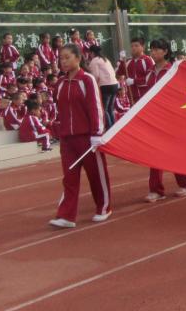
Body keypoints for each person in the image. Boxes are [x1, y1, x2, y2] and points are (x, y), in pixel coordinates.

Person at [49, 43, 111, 229]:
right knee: (69, 178)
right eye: (61, 58)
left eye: (67, 57)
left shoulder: (87, 80)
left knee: (96, 175)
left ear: (78, 58)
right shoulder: (60, 83)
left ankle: (104, 207)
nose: (64, 61)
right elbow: (59, 109)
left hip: (87, 137)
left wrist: (97, 133)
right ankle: (66, 215)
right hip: (67, 139)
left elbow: (95, 107)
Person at [146, 38, 186, 201]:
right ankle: (156, 190)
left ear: (165, 51)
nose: (153, 53)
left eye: (156, 49)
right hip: (155, 118)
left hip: (171, 118)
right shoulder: (150, 73)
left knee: (174, 151)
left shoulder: (172, 70)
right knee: (153, 153)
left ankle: (185, 183)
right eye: (151, 49)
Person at [86, 45, 119, 128]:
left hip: (105, 86)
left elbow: (95, 76)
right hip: (115, 84)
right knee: (110, 108)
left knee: (104, 109)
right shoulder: (105, 59)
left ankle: (110, 129)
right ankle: (114, 127)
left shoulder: (94, 61)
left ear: (92, 53)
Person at [119, 37, 154, 102]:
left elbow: (151, 79)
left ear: (143, 47)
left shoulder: (148, 60)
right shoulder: (128, 62)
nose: (133, 48)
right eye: (132, 46)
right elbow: (120, 73)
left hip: (146, 97)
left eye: (136, 46)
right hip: (132, 98)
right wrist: (121, 60)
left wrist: (134, 81)